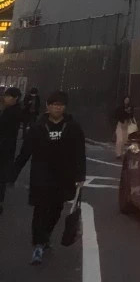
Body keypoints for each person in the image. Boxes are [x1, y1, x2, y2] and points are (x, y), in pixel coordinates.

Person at [11, 91, 85, 265]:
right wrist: (13, 174)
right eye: (54, 105)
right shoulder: (38, 127)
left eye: (60, 105)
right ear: (47, 106)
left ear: (64, 107)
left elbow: (79, 153)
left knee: (56, 209)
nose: (57, 108)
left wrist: (80, 175)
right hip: (41, 175)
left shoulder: (73, 127)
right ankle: (38, 244)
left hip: (64, 176)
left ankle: (45, 237)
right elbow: (25, 152)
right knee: (40, 209)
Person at [0, 87, 24, 214]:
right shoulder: (10, 110)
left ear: (16, 98)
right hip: (7, 147)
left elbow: (5, 131)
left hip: (4, 148)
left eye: (8, 96)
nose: (5, 98)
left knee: (1, 176)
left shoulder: (12, 112)